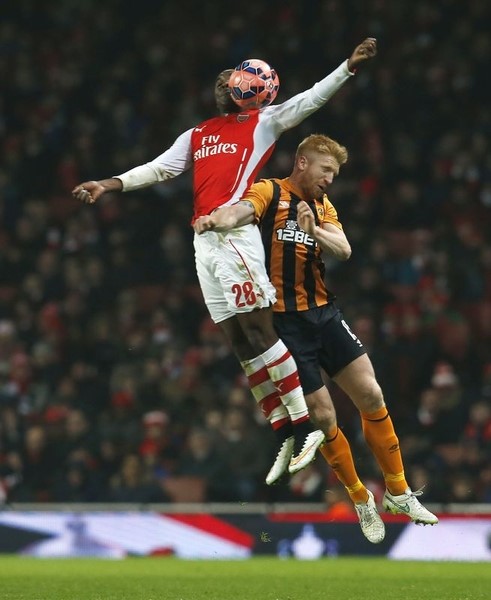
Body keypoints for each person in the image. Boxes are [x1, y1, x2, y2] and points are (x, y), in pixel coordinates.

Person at [72, 38, 377, 482]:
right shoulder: (198, 134)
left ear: (257, 92)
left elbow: (310, 100)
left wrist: (347, 68)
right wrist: (109, 183)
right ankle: (284, 428)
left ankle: (305, 420)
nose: (229, 86)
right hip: (204, 242)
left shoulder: (265, 123)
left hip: (234, 234)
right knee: (238, 340)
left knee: (258, 328)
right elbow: (160, 168)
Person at [193, 134, 439, 542]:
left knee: (372, 395)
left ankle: (398, 491)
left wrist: (315, 230)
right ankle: (361, 500)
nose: (330, 178)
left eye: (335, 173)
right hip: (284, 326)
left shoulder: (324, 207)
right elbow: (241, 210)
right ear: (303, 162)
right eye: (326, 170)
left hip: (324, 315)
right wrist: (219, 219)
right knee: (324, 420)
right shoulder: (270, 191)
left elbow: (343, 248)